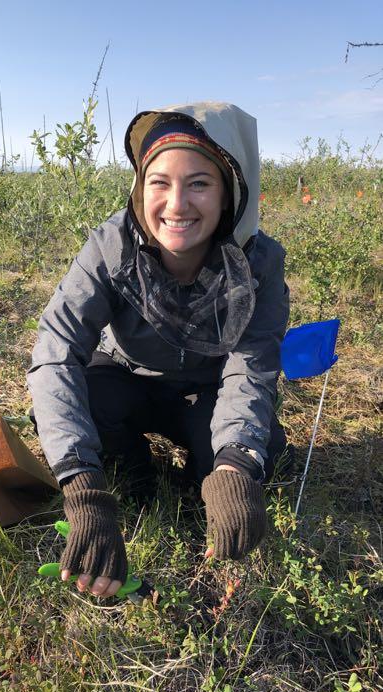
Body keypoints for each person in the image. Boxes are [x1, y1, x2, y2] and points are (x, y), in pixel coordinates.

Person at [27, 101, 290, 599]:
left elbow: (249, 371)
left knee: (258, 452)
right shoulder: (111, 246)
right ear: (140, 187)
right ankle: (137, 477)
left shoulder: (259, 263)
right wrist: (82, 489)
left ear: (230, 190)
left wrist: (235, 465)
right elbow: (56, 350)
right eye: (159, 182)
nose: (176, 205)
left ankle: (203, 479)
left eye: (199, 183)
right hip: (126, 377)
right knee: (82, 405)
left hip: (207, 392)